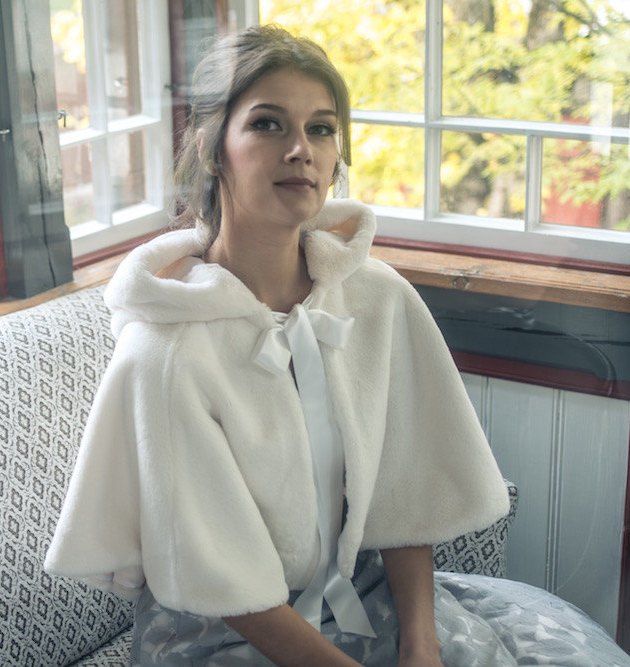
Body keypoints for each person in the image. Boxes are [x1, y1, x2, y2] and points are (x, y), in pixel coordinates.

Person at [44, 25, 512, 666]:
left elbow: (412, 493)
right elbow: (224, 585)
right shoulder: (166, 351)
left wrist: (421, 647)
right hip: (221, 635)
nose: (302, 150)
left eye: (321, 128)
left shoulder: (375, 299)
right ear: (213, 149)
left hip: (361, 598)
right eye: (268, 125)